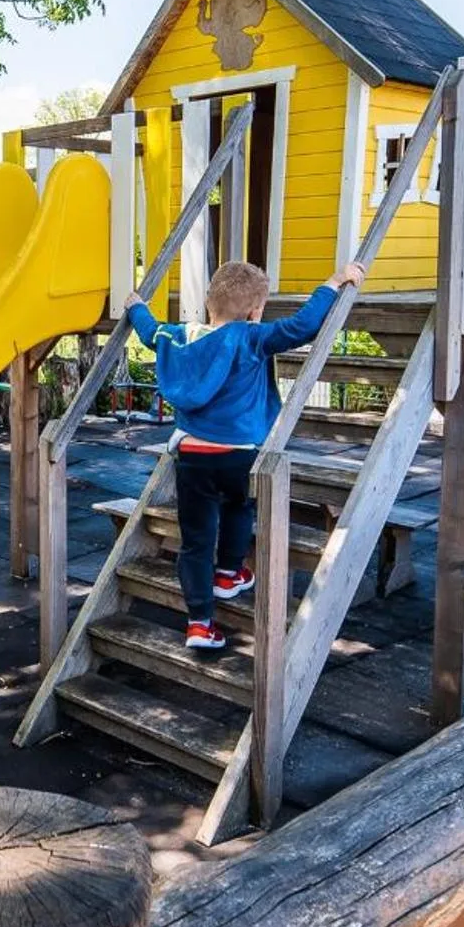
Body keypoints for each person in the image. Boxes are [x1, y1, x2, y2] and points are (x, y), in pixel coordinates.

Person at [124, 258, 367, 650]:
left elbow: (149, 331)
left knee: (195, 540)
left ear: (208, 302)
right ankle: (228, 573)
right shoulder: (251, 338)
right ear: (256, 311)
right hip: (238, 454)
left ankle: (199, 624)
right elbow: (303, 326)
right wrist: (334, 281)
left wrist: (136, 305)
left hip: (192, 455)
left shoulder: (178, 337)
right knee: (238, 508)